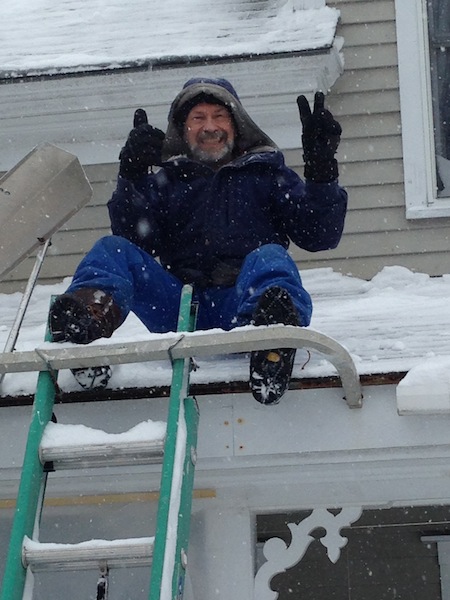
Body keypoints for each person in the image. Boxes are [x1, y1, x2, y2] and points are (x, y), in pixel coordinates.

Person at [49, 77, 347, 404]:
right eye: (198, 118)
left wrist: (322, 173)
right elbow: (134, 239)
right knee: (111, 249)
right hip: (179, 310)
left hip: (244, 308)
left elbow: (320, 235)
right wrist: (131, 176)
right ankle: (86, 329)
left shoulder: (266, 173)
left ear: (236, 124)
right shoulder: (167, 180)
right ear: (182, 128)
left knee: (271, 257)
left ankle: (274, 341)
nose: (210, 126)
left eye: (219, 116)